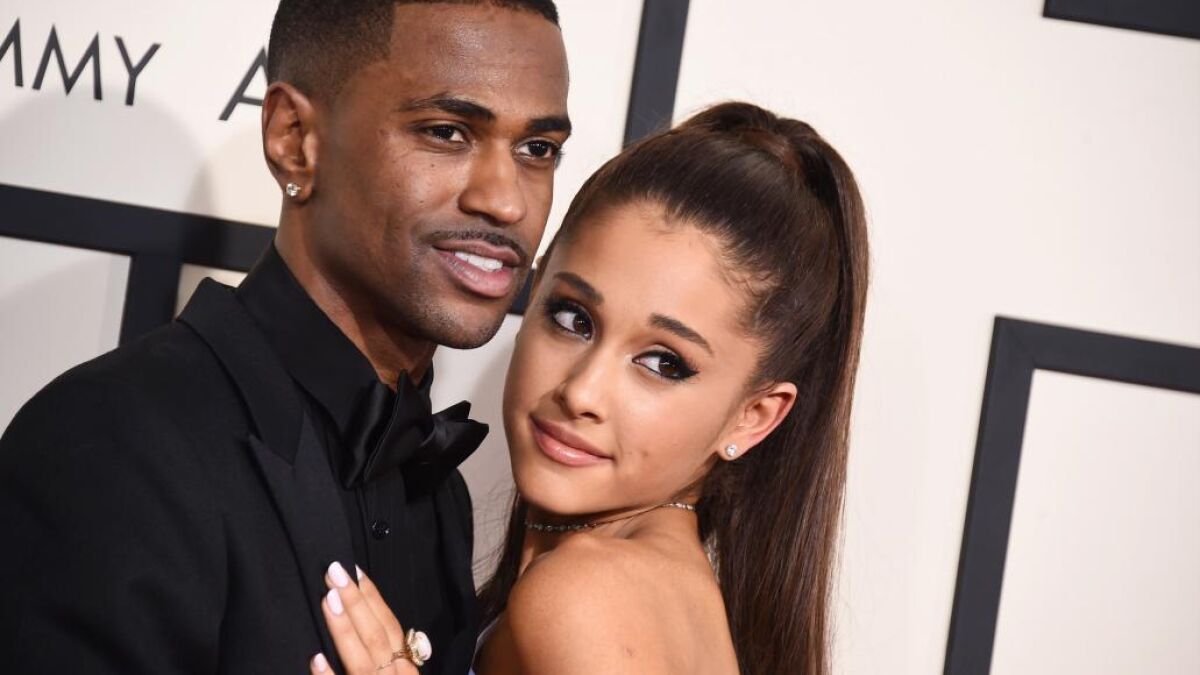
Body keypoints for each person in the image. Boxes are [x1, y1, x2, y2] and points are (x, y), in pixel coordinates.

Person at [0, 1, 568, 673]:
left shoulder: (440, 494)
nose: (507, 201)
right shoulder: (112, 446)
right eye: (446, 132)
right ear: (294, 138)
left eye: (537, 149)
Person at [318, 101, 869, 674]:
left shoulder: (585, 595)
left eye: (663, 363)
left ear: (752, 416)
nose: (581, 392)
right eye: (573, 318)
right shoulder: (662, 592)